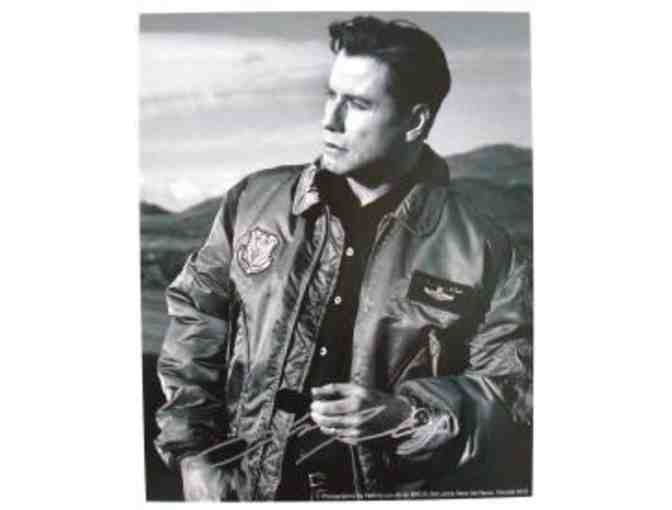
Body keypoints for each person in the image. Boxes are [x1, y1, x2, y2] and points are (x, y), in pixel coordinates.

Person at [154, 15, 532, 501]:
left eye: (356, 103)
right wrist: (192, 454)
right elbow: (196, 321)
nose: (329, 120)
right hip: (244, 489)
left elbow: (515, 389)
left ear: (415, 121)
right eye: (330, 95)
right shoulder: (251, 203)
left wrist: (407, 415)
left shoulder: (484, 248)